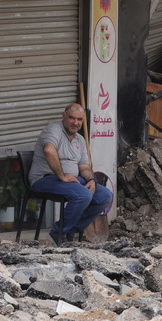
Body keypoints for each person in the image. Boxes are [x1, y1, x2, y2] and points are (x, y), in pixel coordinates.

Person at [28, 103, 113, 245]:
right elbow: (49, 150)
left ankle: (69, 232)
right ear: (64, 116)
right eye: (72, 118)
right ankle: (57, 234)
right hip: (45, 178)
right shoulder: (53, 130)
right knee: (83, 195)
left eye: (79, 120)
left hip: (72, 180)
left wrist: (92, 180)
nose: (75, 122)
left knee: (105, 196)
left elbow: (84, 167)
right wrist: (62, 175)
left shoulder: (79, 139)